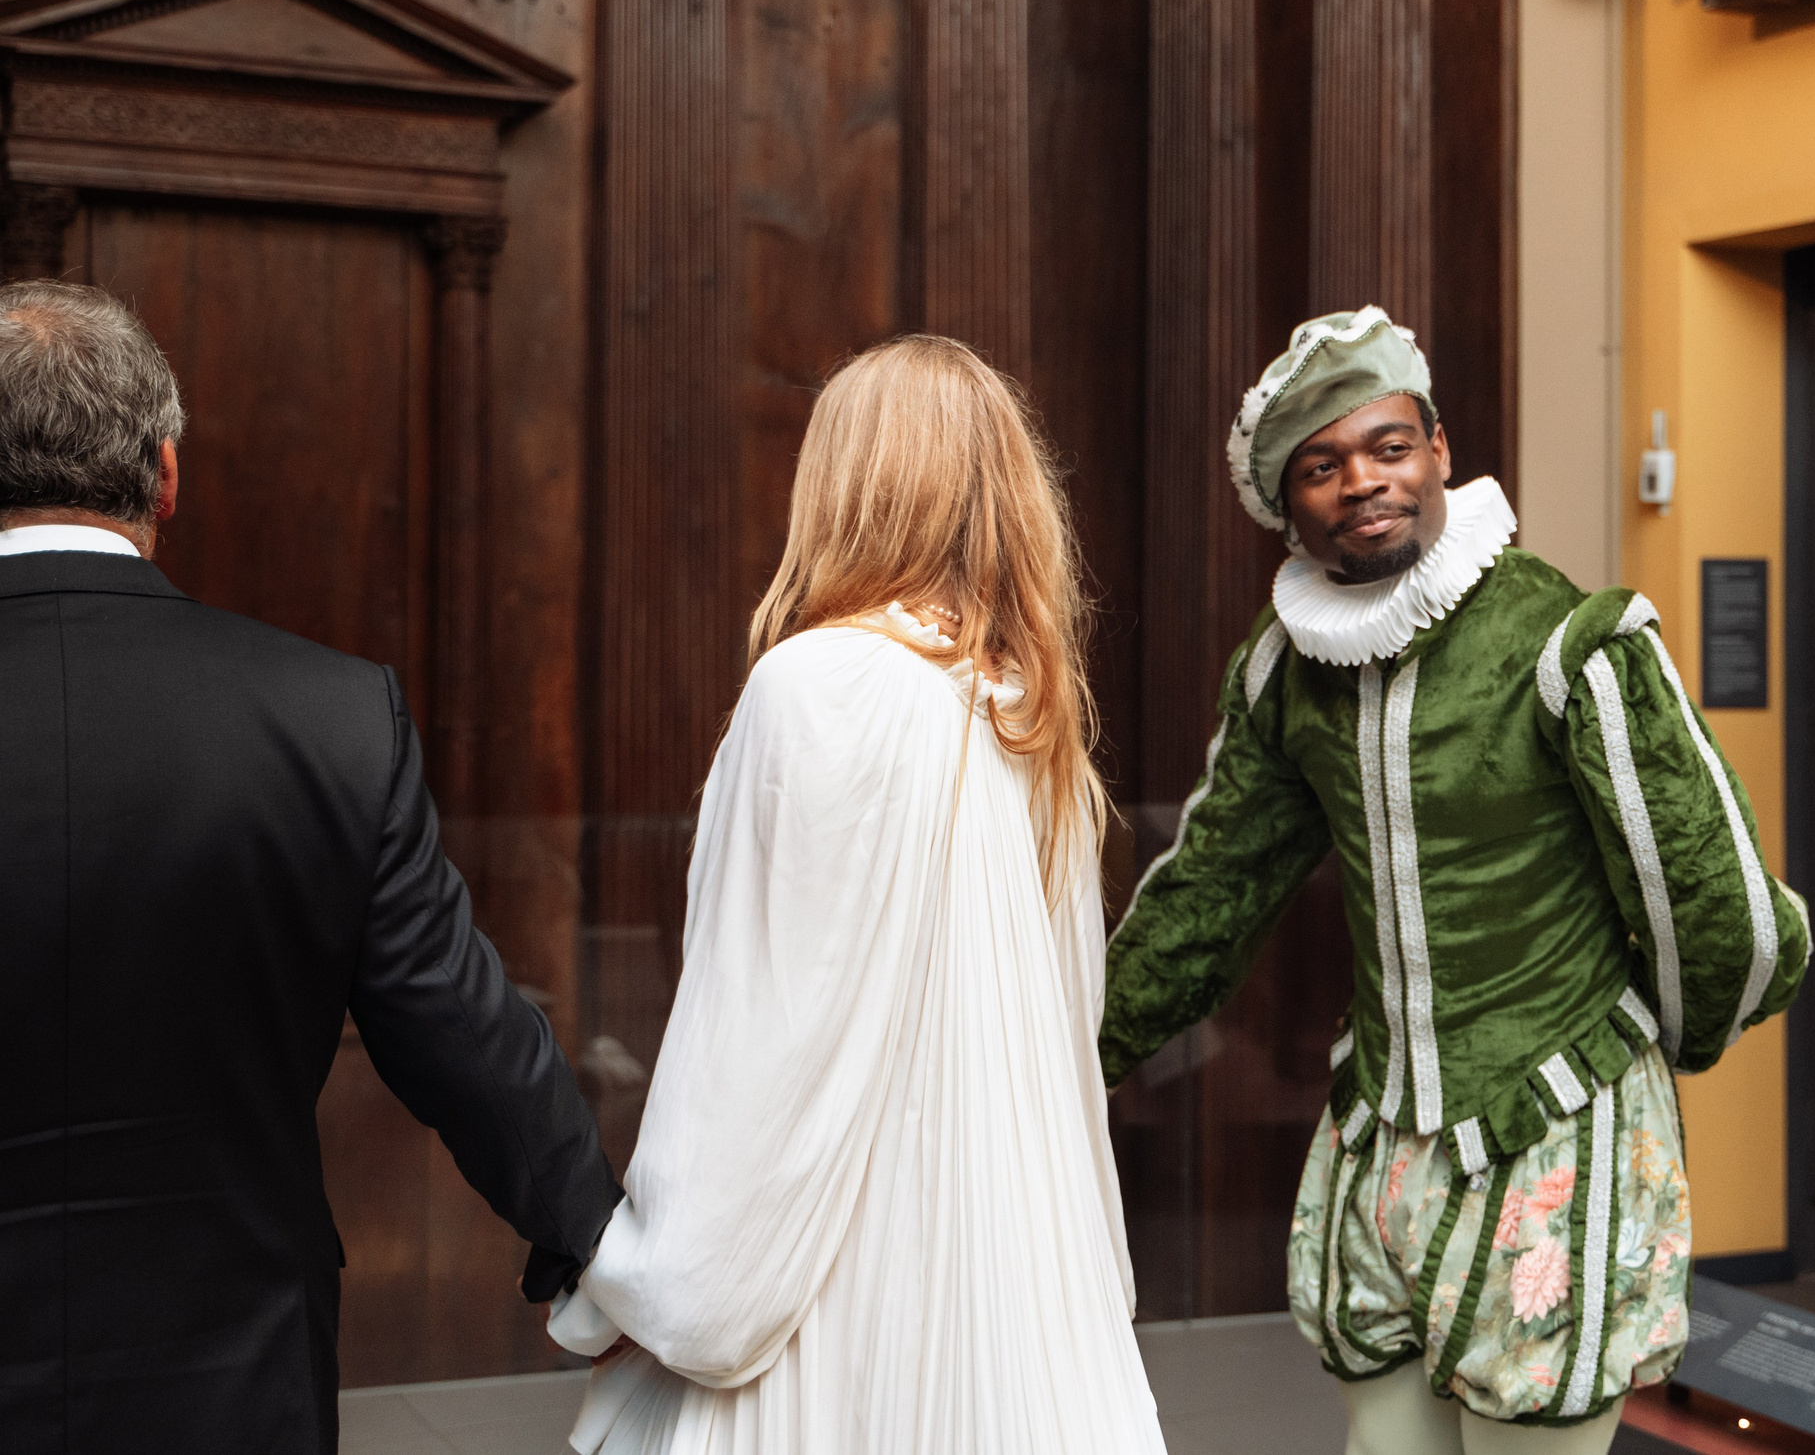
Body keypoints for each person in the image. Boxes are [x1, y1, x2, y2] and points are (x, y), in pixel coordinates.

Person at [1100, 308, 1811, 1454]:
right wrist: (1080, 1049)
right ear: (1287, 508)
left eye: (1387, 448)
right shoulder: (1288, 672)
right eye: (1321, 468)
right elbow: (1208, 893)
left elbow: (1708, 893)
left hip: (1556, 1126)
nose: (1362, 484)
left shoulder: (1567, 640)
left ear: (1439, 449)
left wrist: (1641, 1048)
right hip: (1382, 1131)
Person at [0, 279, 621, 1455]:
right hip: (233, 1373)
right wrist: (602, 1247)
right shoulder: (331, 717)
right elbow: (462, 1036)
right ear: (166, 475)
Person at [545, 335, 1165, 1455]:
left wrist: (655, 1281)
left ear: (846, 485)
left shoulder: (815, 685)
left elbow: (759, 1038)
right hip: (1014, 1270)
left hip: (837, 1288)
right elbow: (1068, 1045)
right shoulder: (1033, 716)